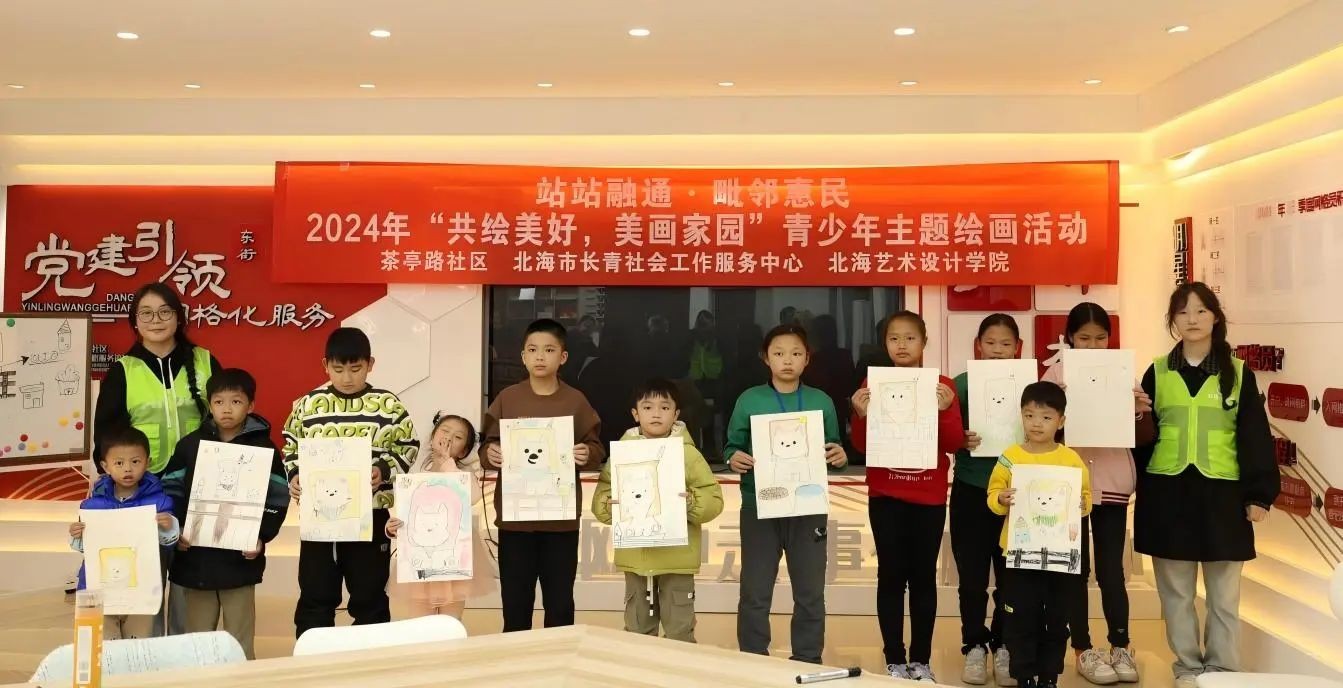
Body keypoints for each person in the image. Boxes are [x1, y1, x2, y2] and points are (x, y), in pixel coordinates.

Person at [1133, 283, 1278, 688]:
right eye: (1183, 312)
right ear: (1172, 321)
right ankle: (1188, 667)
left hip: (1223, 497)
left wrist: (1259, 495)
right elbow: (1143, 437)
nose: (1192, 319)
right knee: (1176, 594)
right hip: (1168, 495)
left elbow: (1254, 435)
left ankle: (1223, 670)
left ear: (1215, 317)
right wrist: (1136, 417)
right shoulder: (1158, 371)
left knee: (1224, 596)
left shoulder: (1239, 373)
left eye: (1200, 311)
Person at [91, 282, 220, 633]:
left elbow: (225, 418)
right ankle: (146, 653)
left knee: (191, 577)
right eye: (146, 313)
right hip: (143, 487)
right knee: (145, 575)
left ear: (179, 317)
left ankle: (182, 649)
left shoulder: (204, 361)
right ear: (135, 321)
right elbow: (106, 435)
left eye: (165, 312)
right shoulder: (124, 370)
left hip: (197, 482)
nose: (156, 320)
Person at [850, 310, 965, 682]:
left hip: (928, 496)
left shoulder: (942, 386)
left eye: (910, 338)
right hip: (885, 494)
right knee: (890, 576)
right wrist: (859, 415)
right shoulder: (872, 384)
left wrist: (944, 411)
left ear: (924, 343)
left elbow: (953, 444)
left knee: (923, 578)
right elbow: (862, 446)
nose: (902, 345)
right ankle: (894, 660)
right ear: (885, 343)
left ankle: (921, 660)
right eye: (894, 338)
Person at [283, 327, 419, 638]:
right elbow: (290, 445)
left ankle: (369, 659)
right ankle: (314, 656)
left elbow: (408, 446)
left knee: (370, 595)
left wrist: (383, 470)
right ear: (325, 365)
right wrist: (295, 475)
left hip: (371, 516)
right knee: (315, 593)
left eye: (355, 369)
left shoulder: (388, 405)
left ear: (370, 364)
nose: (346, 378)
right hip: (320, 519)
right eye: (338, 369)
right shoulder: (308, 405)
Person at [727, 324, 848, 664]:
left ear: (807, 358)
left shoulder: (821, 401)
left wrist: (840, 456)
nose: (787, 360)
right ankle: (753, 659)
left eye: (796, 353)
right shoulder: (749, 399)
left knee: (810, 591)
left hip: (808, 507)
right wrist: (733, 458)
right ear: (766, 358)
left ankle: (808, 658)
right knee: (755, 591)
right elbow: (732, 447)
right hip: (759, 506)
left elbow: (833, 448)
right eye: (778, 353)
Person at [1042, 303, 1145, 685]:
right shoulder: (1056, 373)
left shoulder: (1122, 371)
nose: (1093, 345)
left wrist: (1137, 410)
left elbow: (1144, 433)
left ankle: (1121, 644)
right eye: (1084, 338)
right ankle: (1082, 649)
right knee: (1074, 568)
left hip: (1112, 481)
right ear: (1069, 338)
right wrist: (1054, 404)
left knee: (1111, 569)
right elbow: (1037, 427)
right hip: (1068, 482)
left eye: (1100, 337)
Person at [481, 318, 605, 632]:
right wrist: (490, 454)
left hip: (560, 521)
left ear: (563, 357)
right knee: (515, 605)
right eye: (533, 350)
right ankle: (517, 660)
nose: (540, 356)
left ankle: (559, 660)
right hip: (515, 521)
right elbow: (487, 446)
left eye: (549, 350)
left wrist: (586, 454)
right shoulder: (508, 399)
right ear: (523, 356)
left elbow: (596, 448)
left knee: (560, 605)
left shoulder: (575, 401)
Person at [160, 368, 289, 659]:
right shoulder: (190, 445)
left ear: (251, 405)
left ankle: (241, 678)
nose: (226, 409)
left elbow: (277, 497)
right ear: (209, 405)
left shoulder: (264, 448)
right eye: (219, 402)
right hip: (195, 559)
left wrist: (260, 537)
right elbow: (171, 491)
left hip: (239, 562)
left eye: (236, 401)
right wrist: (178, 530)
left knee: (239, 639)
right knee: (198, 640)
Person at [591, 378, 724, 642]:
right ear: (635, 413)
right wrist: (608, 505)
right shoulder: (623, 453)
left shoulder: (688, 455)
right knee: (637, 632)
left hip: (677, 561)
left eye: (664, 407)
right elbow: (602, 496)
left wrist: (691, 502)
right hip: (637, 560)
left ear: (676, 414)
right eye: (648, 407)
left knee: (679, 632)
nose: (656, 413)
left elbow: (714, 498)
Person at [987, 381, 1093, 688]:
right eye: (1030, 415)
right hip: (1020, 554)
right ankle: (1023, 676)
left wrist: (1082, 504)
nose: (1037, 423)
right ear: (1021, 416)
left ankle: (1049, 676)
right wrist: (1001, 498)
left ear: (1061, 421)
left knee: (1057, 617)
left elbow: (1085, 499)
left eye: (1046, 417)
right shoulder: (1010, 456)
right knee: (1020, 615)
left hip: (1059, 556)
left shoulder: (1070, 459)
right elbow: (993, 494)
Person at [952, 313, 1022, 686]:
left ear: (1018, 348)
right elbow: (944, 436)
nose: (997, 350)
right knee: (972, 579)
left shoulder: (1029, 384)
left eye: (1005, 343)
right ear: (978, 346)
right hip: (971, 488)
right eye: (990, 343)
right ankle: (974, 645)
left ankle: (1005, 643)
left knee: (1012, 577)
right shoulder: (961, 385)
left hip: (1016, 493)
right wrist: (959, 438)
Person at [68, 425, 181, 640]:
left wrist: (168, 527)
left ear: (147, 462)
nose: (128, 469)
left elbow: (168, 544)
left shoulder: (160, 503)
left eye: (135, 461)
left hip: (142, 588)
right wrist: (77, 535)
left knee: (140, 646)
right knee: (102, 646)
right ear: (105, 466)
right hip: (98, 587)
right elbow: (86, 549)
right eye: (119, 463)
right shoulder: (92, 506)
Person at [386, 413, 495, 619]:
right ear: (433, 436)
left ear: (463, 451)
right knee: (420, 623)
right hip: (420, 561)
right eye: (445, 431)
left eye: (458, 437)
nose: (449, 438)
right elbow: (404, 519)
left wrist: (447, 463)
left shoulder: (463, 476)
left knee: (451, 622)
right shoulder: (414, 480)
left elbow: (471, 496)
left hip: (453, 558)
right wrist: (392, 528)